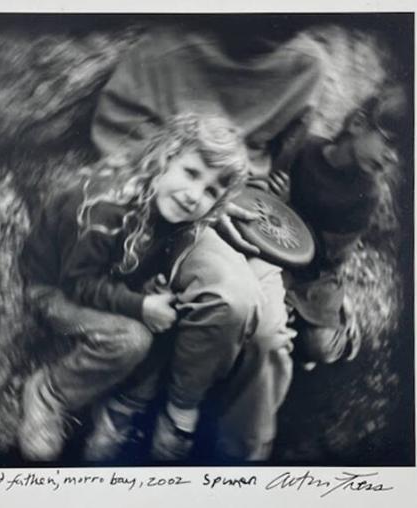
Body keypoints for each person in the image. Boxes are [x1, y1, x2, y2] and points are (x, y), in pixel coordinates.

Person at [18, 112, 285, 462]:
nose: (194, 196)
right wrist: (140, 305)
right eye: (191, 173)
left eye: (210, 191)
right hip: (54, 289)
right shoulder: (105, 207)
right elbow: (77, 284)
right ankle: (49, 394)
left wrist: (147, 294)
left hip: (110, 275)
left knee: (167, 304)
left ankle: (128, 405)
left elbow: (164, 238)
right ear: (164, 158)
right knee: (132, 338)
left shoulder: (164, 201)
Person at [268, 85, 408, 366]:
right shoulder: (305, 148)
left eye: (403, 154)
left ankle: (344, 332)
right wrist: (279, 204)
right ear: (357, 124)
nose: (393, 158)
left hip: (315, 271)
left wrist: (287, 208)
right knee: (266, 313)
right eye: (389, 143)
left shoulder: (367, 195)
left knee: (318, 347)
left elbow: (326, 257)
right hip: (276, 247)